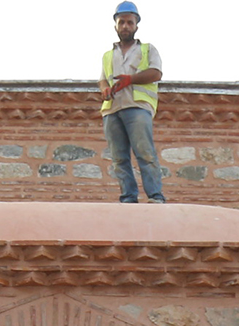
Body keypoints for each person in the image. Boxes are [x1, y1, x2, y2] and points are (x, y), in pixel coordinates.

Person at [98, 0, 166, 205]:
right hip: (112, 109)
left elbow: (156, 73)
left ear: (136, 25)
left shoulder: (147, 49)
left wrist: (131, 79)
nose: (125, 26)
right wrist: (105, 89)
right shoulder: (108, 55)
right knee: (119, 158)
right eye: (122, 22)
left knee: (145, 153)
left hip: (137, 107)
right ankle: (128, 198)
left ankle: (155, 196)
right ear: (115, 26)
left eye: (129, 22)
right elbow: (102, 79)